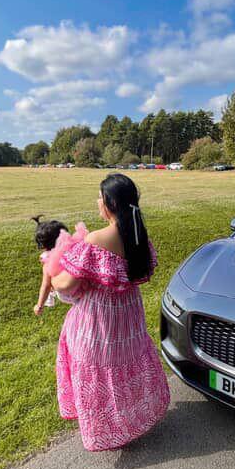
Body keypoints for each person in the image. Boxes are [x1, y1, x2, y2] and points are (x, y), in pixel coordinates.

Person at [50, 174, 170, 451]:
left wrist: (51, 276)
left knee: (100, 374)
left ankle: (107, 432)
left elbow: (68, 283)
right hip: (128, 319)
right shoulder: (139, 235)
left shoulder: (96, 238)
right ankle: (134, 421)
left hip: (100, 322)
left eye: (100, 197)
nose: (97, 202)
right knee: (125, 369)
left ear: (110, 204)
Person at [31, 215, 69, 315]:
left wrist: (39, 305)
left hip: (67, 294)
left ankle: (50, 297)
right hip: (81, 288)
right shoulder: (72, 251)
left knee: (50, 281)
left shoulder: (49, 261)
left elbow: (46, 285)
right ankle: (51, 296)